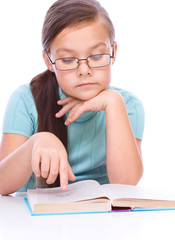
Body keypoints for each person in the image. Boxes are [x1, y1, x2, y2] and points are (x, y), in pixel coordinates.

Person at [0, 0, 144, 195]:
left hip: (102, 219)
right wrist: (36, 142)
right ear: (48, 61)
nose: (84, 70)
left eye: (96, 56)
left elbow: (126, 185)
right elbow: (2, 184)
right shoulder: (25, 100)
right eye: (68, 60)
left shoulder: (128, 105)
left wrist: (113, 103)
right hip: (34, 219)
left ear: (113, 52)